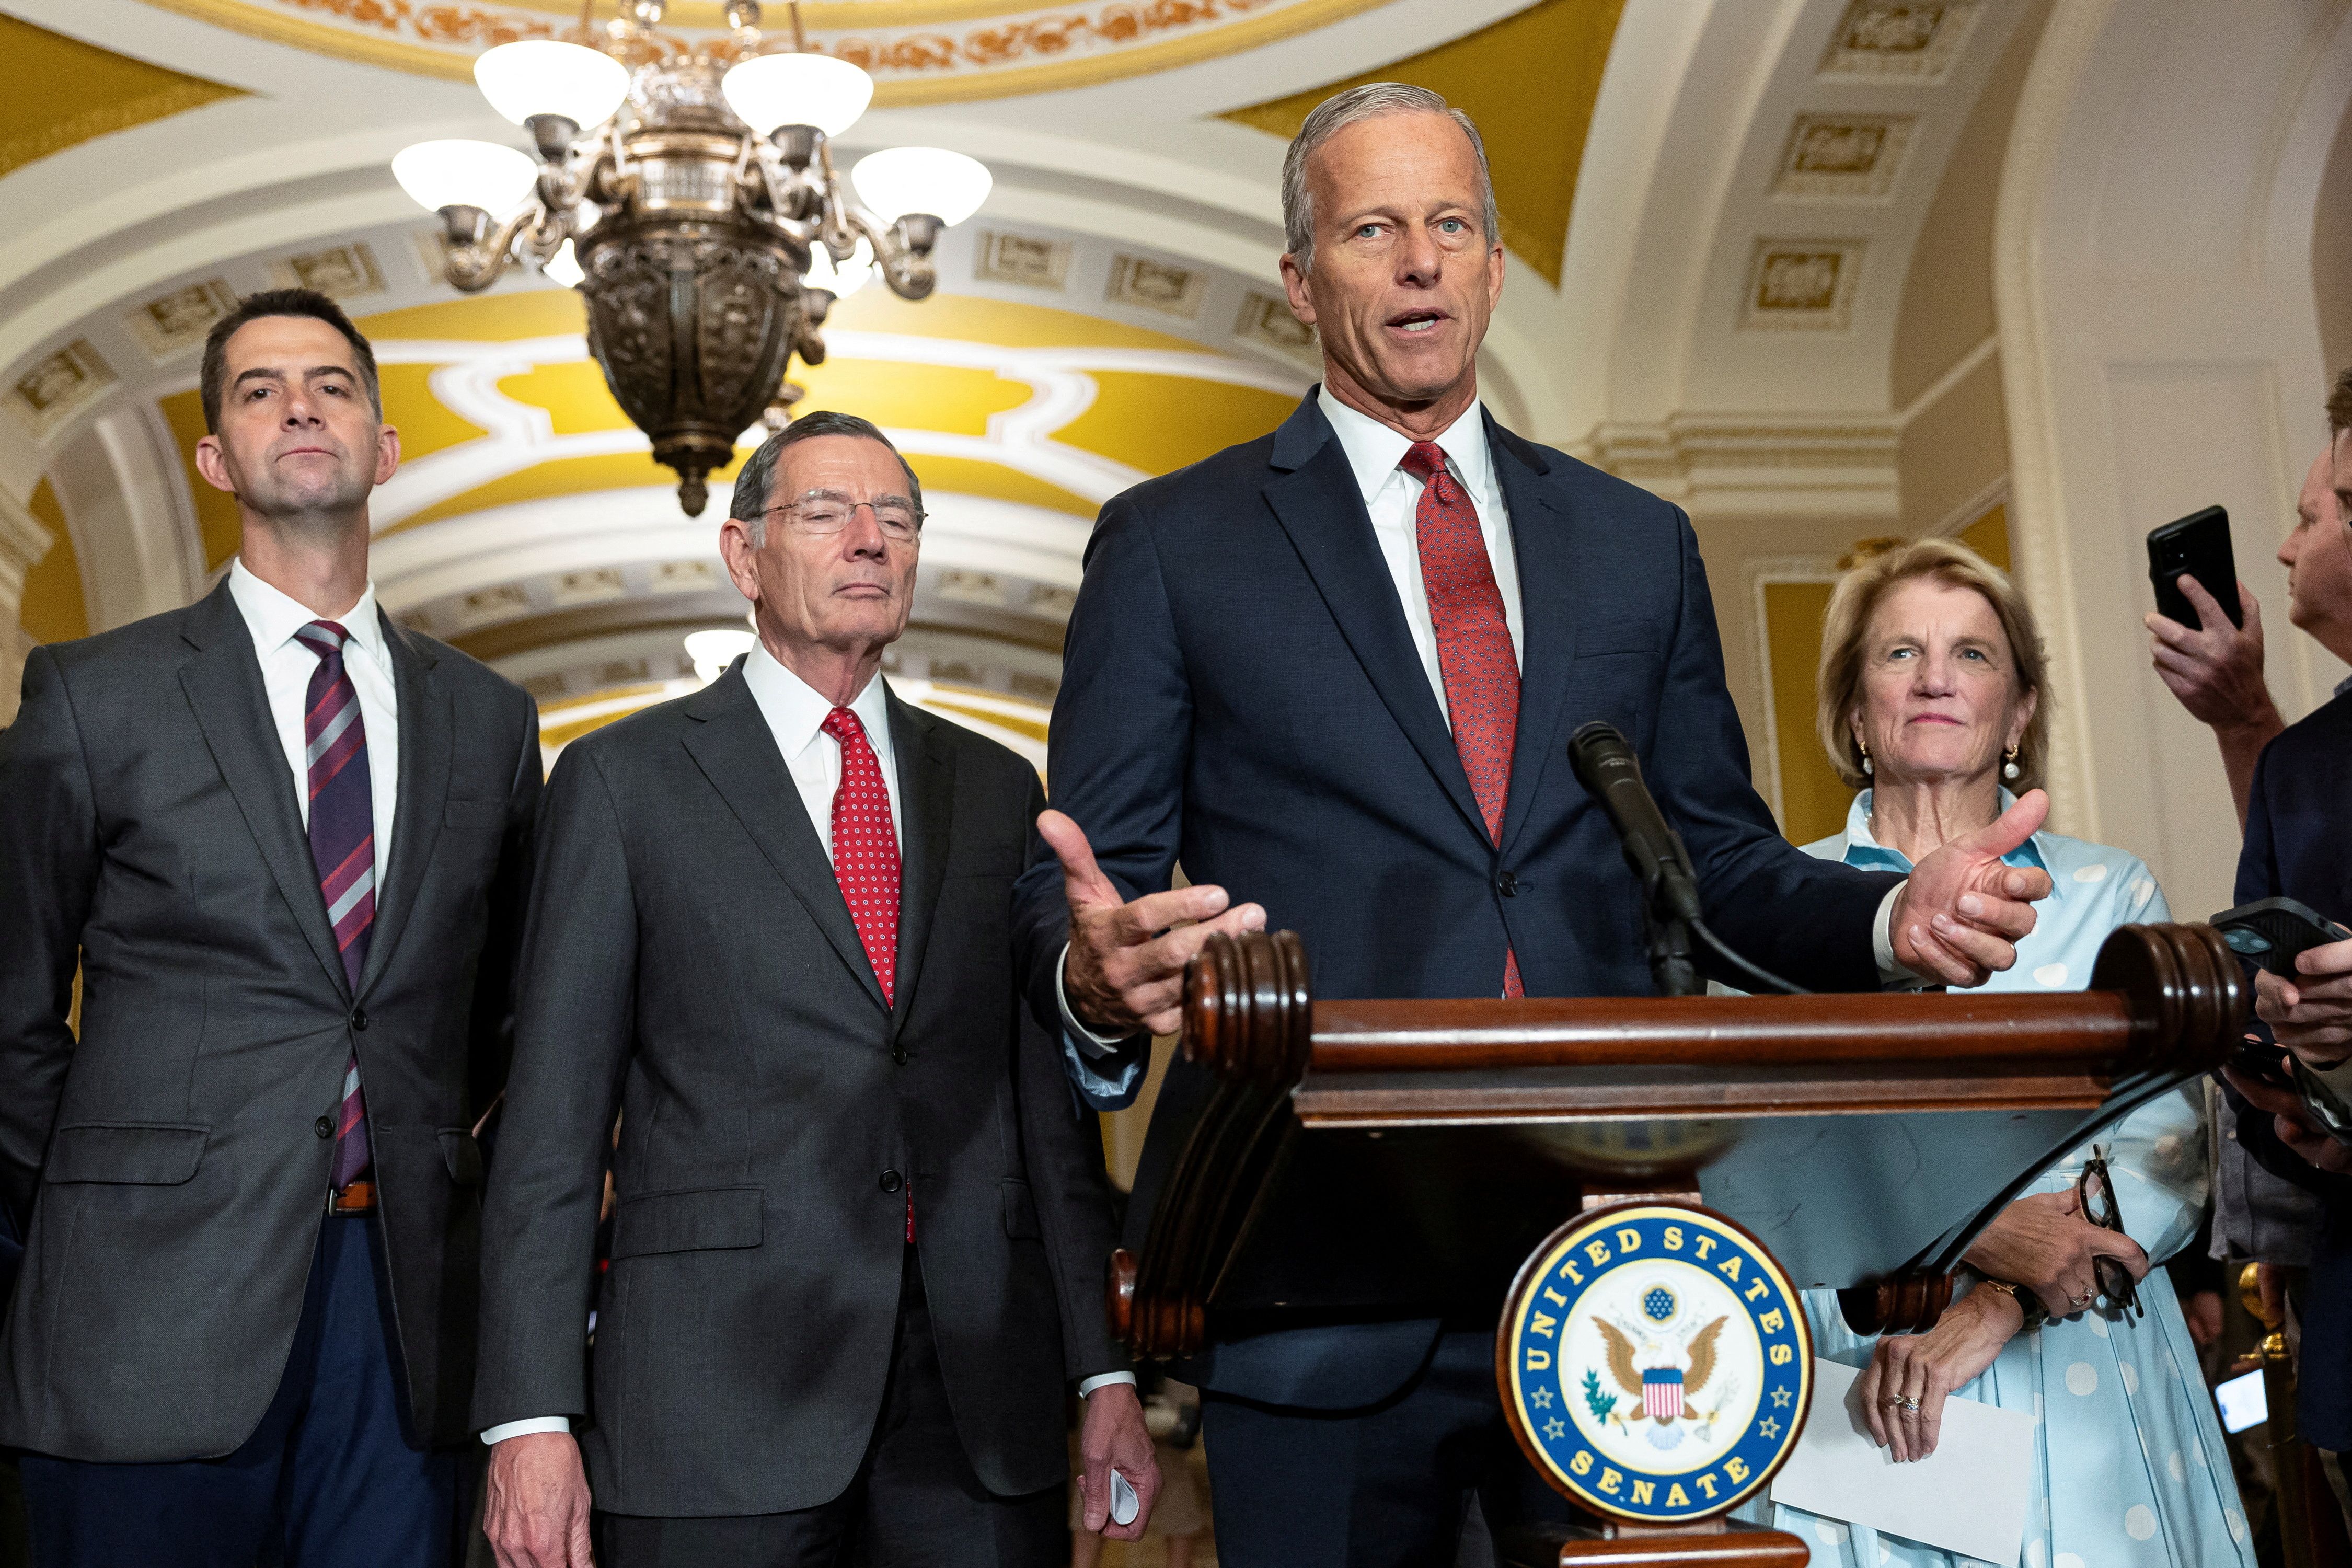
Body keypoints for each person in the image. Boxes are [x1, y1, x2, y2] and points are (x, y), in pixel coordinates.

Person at [1011, 83, 2054, 1566]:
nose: (1421, 260)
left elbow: (1721, 864)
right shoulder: (1175, 545)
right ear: (1303, 279)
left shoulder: (1638, 546)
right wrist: (1090, 972)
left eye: (1451, 226)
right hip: (1313, 1267)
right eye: (1373, 229)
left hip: (1624, 1272)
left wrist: (1888, 914)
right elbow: (1087, 890)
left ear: (1495, 267)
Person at [472, 412, 1156, 1568]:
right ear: (745, 557)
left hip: (978, 1399)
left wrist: (1106, 1366)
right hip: (709, 1407)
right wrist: (530, 1416)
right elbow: (551, 1126)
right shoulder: (623, 783)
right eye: (828, 513)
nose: (870, 542)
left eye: (896, 518)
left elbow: (1047, 1122)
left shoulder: (996, 788)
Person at [0, 289, 541, 1566]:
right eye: (259, 390)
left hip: (406, 1322)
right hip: (141, 1314)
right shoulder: (93, 696)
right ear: (217, 459)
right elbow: (9, 1010)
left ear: (386, 447)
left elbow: (514, 1015)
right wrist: (104, 1200)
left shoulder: (491, 719)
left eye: (333, 385)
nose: (300, 405)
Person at [1737, 538, 2252, 1566]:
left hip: (2087, 1350)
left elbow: (2166, 1149)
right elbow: (1750, 1149)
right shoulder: (1776, 903)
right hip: (1857, 1362)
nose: (1935, 677)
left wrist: (1996, 1303)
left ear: (2018, 712)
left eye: (1972, 655)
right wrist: (1981, 1223)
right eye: (1900, 654)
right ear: (1852, 708)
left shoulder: (2111, 894)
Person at [2217, 371, 2352, 1531]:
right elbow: (2255, 1024)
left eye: (2314, 514)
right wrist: (2289, 1096)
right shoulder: (2301, 769)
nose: (2285, 540)